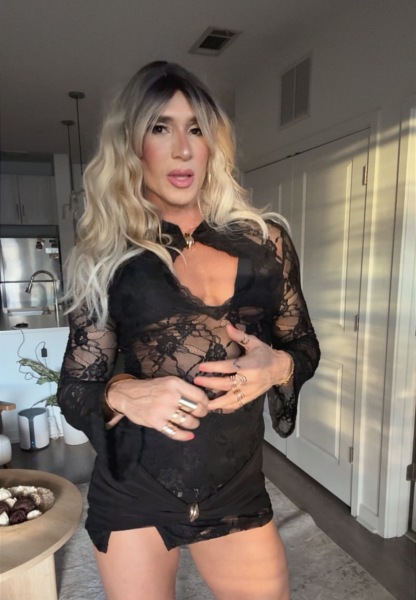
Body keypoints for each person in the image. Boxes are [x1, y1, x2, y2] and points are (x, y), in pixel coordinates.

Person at [57, 60, 320, 600]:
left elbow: (302, 345)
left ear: (212, 145)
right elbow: (75, 387)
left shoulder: (266, 241)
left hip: (235, 484)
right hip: (135, 486)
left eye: (195, 129)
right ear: (133, 146)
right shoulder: (108, 257)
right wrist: (124, 392)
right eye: (161, 128)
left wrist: (277, 367)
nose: (182, 149)